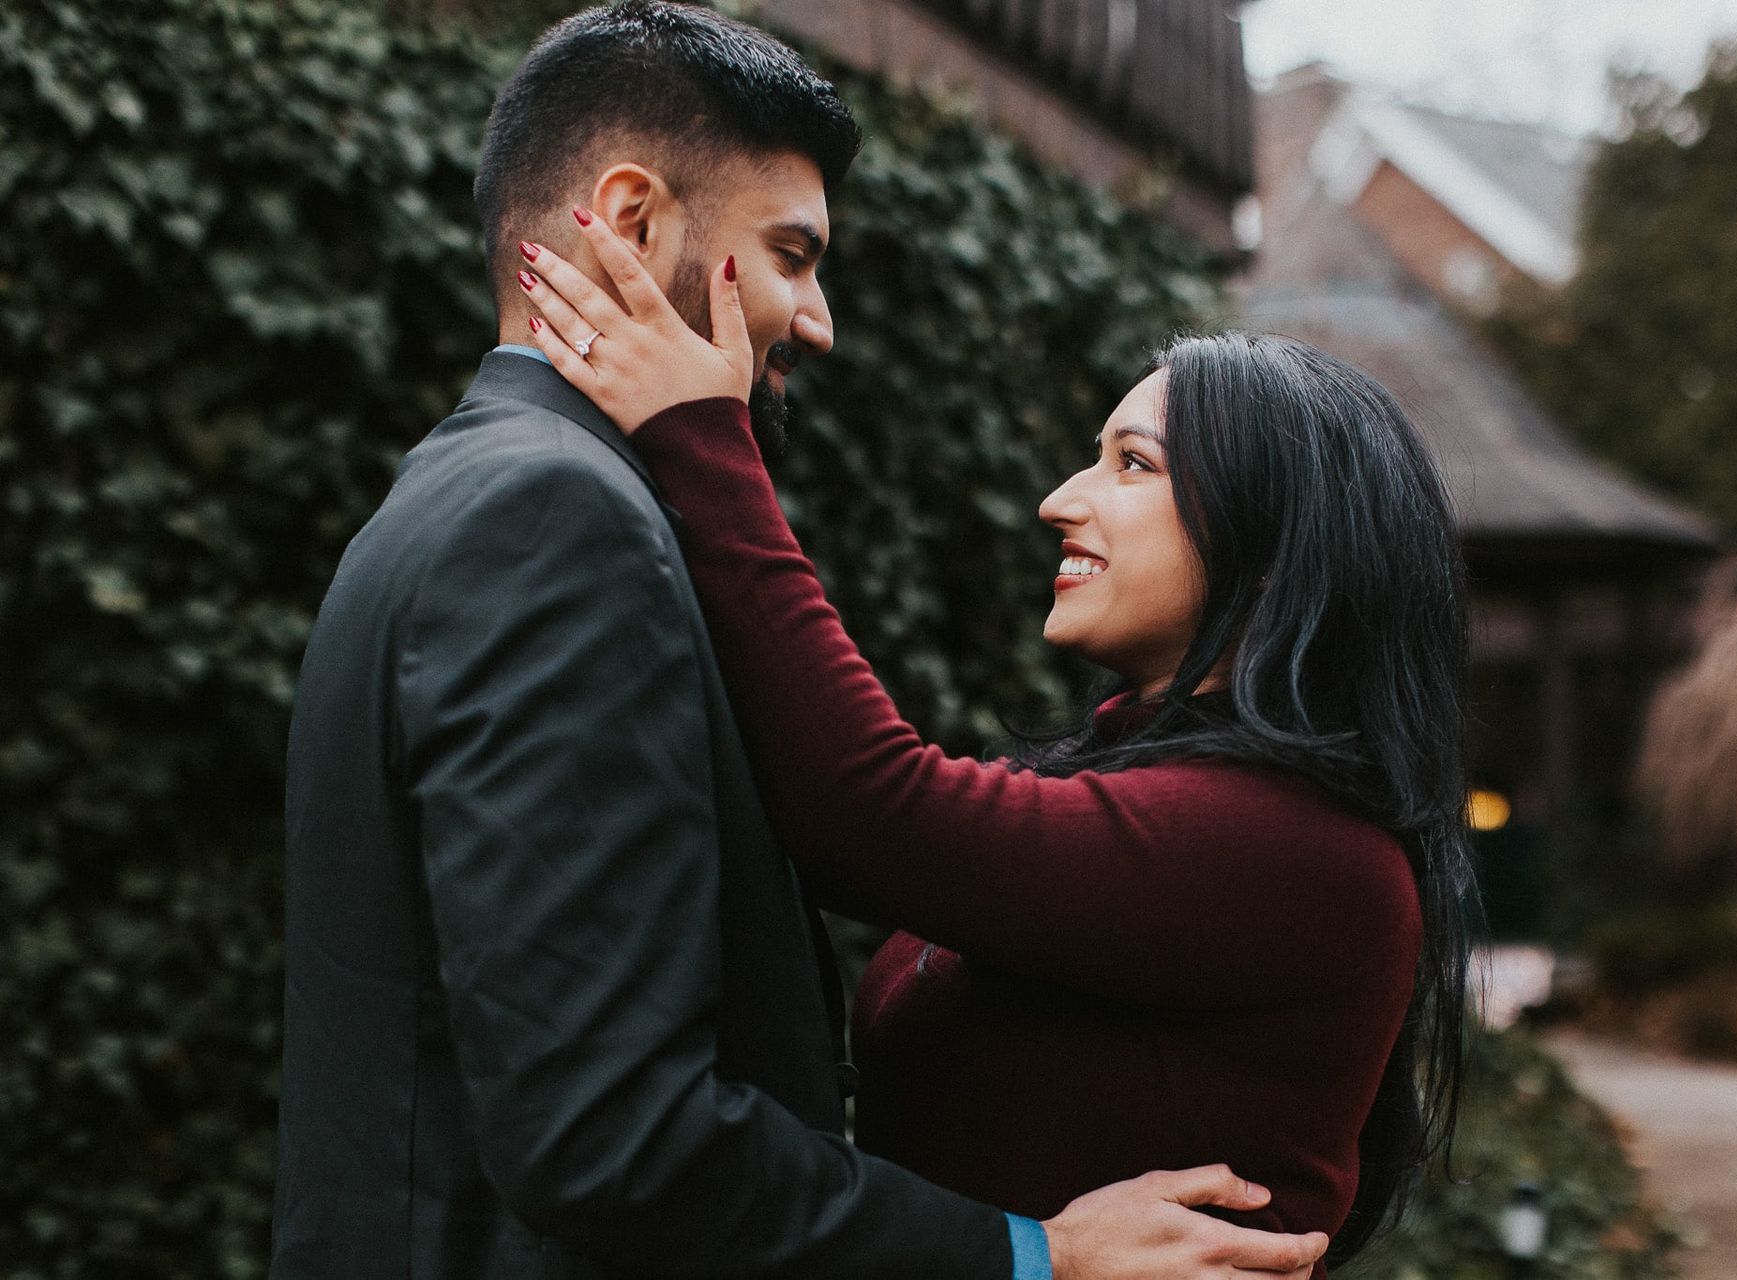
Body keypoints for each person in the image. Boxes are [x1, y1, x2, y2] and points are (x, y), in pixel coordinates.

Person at [273, 3, 1330, 1278]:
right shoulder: (556, 521)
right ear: (631, 219)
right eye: (793, 254)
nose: (819, 318)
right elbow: (611, 1137)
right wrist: (1024, 1254)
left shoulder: (462, 489)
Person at [513, 212, 1481, 1277]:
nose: (1058, 500)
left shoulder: (1300, 850)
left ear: (1269, 551)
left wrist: (700, 436)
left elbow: (869, 810)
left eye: (1130, 463)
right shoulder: (1139, 781)